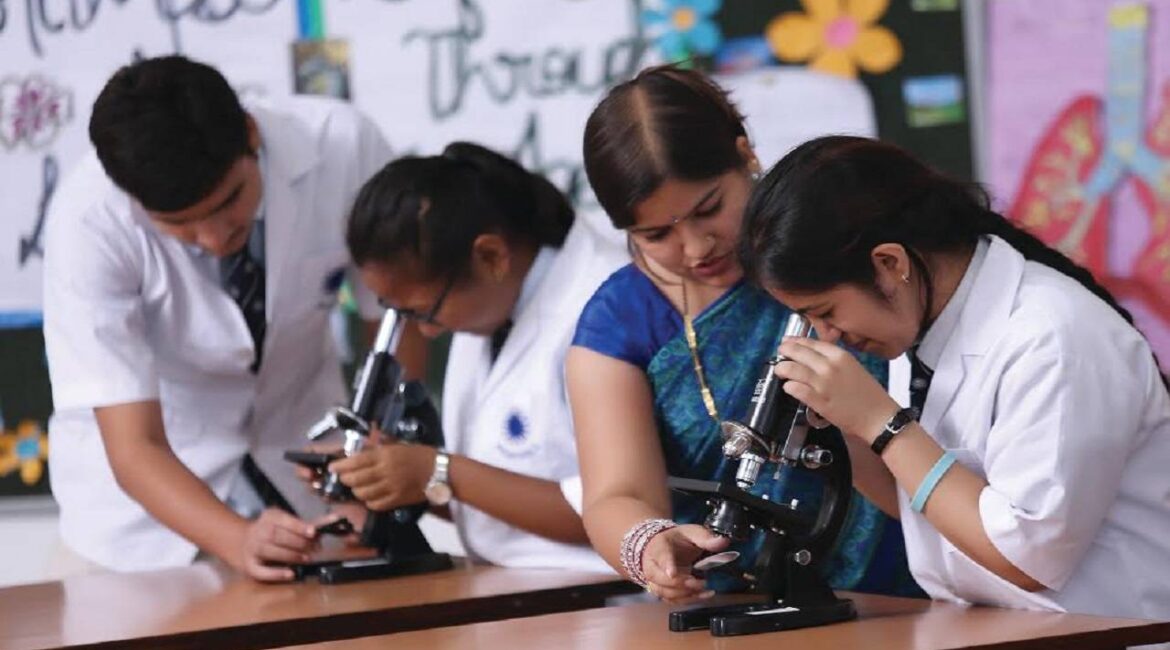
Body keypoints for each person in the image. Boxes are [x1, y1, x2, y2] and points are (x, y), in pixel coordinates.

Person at [737, 135, 1170, 620]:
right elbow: (933, 513)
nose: (828, 335)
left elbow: (1028, 556)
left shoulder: (1054, 337)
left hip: (1112, 631)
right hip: (993, 626)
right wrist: (847, 429)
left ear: (889, 264)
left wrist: (882, 422)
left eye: (826, 312)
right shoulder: (920, 324)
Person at [42, 55, 406, 581]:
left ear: (251, 133)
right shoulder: (88, 222)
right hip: (141, 529)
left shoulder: (343, 146)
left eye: (229, 201)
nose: (214, 238)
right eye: (179, 226)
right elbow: (133, 444)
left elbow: (396, 323)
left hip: (313, 492)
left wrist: (376, 470)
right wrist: (236, 538)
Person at [566, 65, 920, 603]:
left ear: (746, 155)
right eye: (655, 234)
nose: (694, 248)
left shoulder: (839, 244)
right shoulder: (619, 320)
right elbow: (617, 494)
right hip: (739, 604)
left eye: (709, 209)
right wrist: (650, 544)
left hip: (916, 584)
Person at [326, 142, 626, 571]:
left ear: (490, 256)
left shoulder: (610, 305)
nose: (426, 331)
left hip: (608, 601)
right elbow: (495, 513)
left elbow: (624, 510)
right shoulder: (487, 303)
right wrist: (391, 480)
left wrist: (438, 471)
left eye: (424, 312)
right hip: (511, 590)